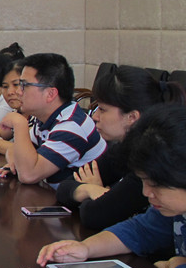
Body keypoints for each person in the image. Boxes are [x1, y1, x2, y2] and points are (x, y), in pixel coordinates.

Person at [38, 105, 186, 268]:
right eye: (143, 181)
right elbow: (139, 231)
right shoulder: (172, 210)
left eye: (155, 185)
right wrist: (86, 248)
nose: (146, 193)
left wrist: (175, 267)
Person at [55, 66, 185, 230]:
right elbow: (64, 188)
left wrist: (100, 195)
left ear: (132, 117)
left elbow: (95, 216)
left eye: (103, 109)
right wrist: (90, 189)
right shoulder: (122, 149)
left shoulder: (152, 161)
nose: (95, 116)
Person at [0, 53, 106, 186]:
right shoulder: (46, 118)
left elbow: (28, 175)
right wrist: (16, 162)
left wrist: (19, 124)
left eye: (24, 85)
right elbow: (16, 150)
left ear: (50, 94)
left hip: (74, 199)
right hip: (50, 194)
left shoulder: (72, 126)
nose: (18, 92)